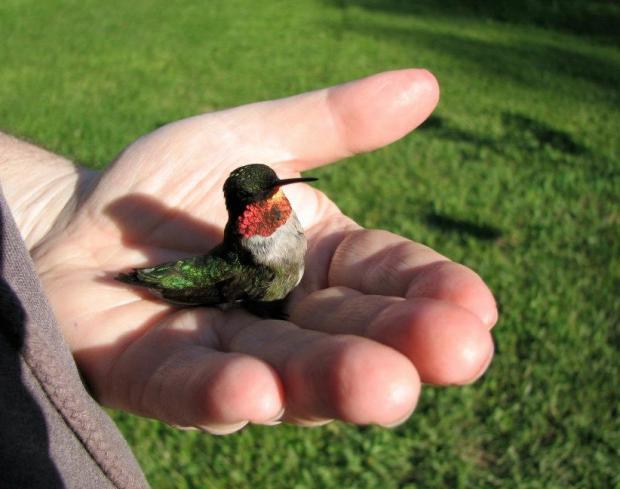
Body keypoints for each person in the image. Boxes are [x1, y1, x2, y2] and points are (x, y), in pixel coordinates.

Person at [0, 69, 497, 488]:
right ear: (248, 213)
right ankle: (142, 278)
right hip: (227, 280)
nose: (281, 196)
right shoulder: (255, 265)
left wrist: (46, 205)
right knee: (202, 284)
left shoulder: (280, 220)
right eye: (268, 196)